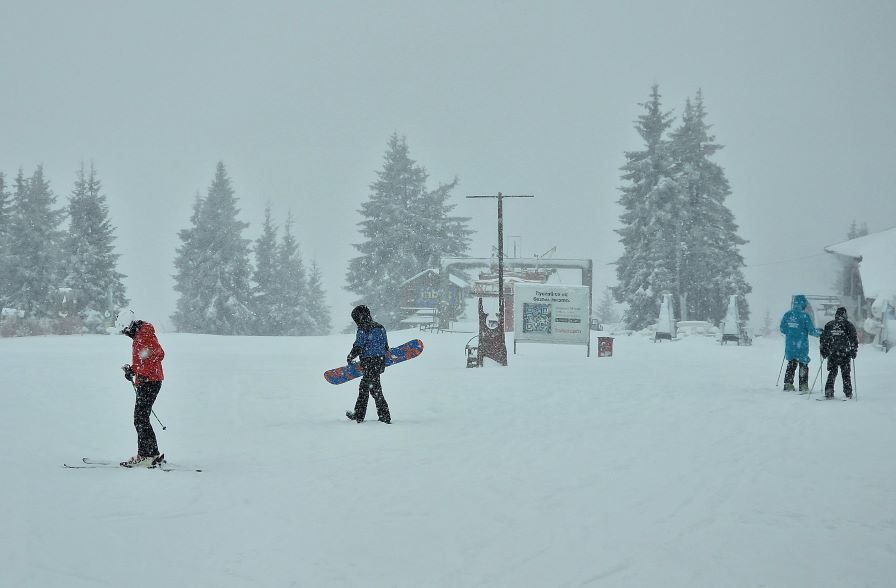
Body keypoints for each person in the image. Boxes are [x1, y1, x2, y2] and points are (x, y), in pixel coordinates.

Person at [120, 319, 166, 466]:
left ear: (130, 327)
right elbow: (144, 360)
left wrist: (137, 371)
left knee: (140, 419)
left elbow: (158, 354)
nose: (127, 335)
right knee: (142, 419)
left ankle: (146, 455)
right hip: (148, 381)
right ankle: (152, 454)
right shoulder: (141, 335)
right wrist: (132, 370)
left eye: (126, 331)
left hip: (150, 382)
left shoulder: (144, 335)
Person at [344, 305, 392, 424]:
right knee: (367, 388)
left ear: (360, 316)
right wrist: (382, 359)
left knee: (373, 389)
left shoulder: (363, 328)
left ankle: (382, 416)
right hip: (379, 361)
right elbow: (386, 346)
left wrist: (350, 356)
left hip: (369, 362)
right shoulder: (380, 327)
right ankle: (361, 415)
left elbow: (359, 346)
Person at [779, 294, 821, 392]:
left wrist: (791, 332)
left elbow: (782, 329)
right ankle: (803, 385)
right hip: (802, 345)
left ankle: (788, 384)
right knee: (803, 364)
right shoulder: (804, 316)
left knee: (791, 363)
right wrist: (820, 333)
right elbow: (811, 330)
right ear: (804, 304)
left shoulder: (787, 314)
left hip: (790, 345)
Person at [820, 307, 858, 399]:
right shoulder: (848, 325)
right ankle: (848, 393)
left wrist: (824, 350)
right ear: (844, 314)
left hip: (832, 353)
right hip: (845, 353)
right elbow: (853, 338)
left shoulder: (829, 324)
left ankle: (829, 391)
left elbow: (823, 339)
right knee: (846, 373)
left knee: (832, 372)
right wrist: (853, 350)